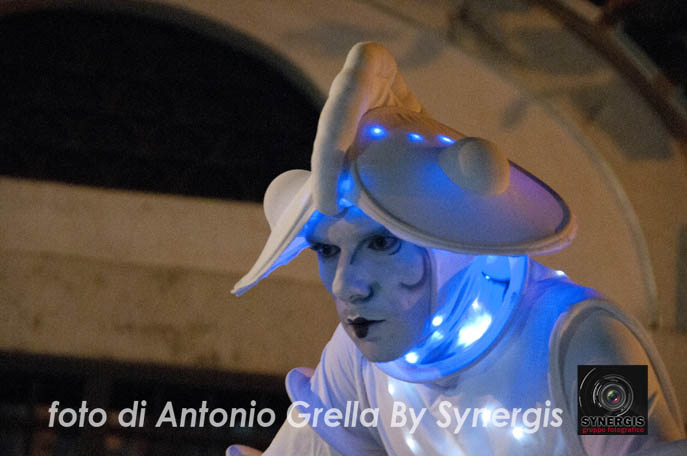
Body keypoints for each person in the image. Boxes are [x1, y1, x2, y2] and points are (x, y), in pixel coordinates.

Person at [227, 43, 685, 455]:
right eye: (327, 251)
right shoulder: (356, 359)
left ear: (451, 238)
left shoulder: (585, 341)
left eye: (382, 242)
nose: (348, 286)